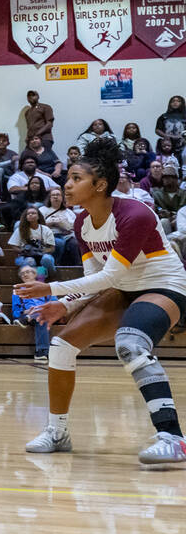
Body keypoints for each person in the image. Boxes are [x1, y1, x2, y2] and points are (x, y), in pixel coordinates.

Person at [15, 137, 186, 464]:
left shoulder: (135, 213)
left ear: (100, 185)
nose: (67, 185)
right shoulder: (81, 223)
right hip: (123, 287)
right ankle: (57, 432)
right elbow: (96, 278)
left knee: (131, 343)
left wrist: (51, 290)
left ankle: (173, 438)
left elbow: (108, 278)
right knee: (62, 346)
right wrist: (65, 307)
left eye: (76, 179)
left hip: (164, 284)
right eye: (68, 178)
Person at [12, 264, 52, 362]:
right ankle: (41, 352)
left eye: (28, 272)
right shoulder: (17, 291)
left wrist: (41, 308)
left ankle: (29, 318)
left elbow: (54, 303)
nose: (25, 275)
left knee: (42, 315)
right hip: (26, 314)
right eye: (22, 274)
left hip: (46, 313)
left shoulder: (45, 288)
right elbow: (15, 312)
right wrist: (25, 311)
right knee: (40, 316)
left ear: (34, 274)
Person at [9, 206, 57, 276]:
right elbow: (13, 245)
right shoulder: (20, 230)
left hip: (42, 254)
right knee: (30, 261)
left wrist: (40, 251)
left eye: (33, 213)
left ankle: (48, 277)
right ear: (26, 217)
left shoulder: (46, 229)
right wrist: (24, 251)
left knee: (46, 259)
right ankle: (31, 280)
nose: (30, 215)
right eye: (28, 214)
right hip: (25, 256)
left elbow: (52, 248)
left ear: (38, 216)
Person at [41, 186, 80, 265]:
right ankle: (56, 263)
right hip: (50, 235)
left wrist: (62, 224)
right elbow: (37, 225)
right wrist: (50, 223)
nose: (55, 197)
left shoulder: (69, 212)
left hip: (67, 236)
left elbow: (74, 226)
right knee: (59, 243)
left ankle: (79, 265)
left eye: (58, 195)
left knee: (75, 243)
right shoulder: (42, 209)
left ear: (62, 198)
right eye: (53, 195)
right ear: (50, 198)